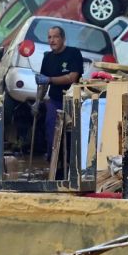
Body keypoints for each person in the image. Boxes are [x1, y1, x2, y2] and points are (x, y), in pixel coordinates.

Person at [34, 25, 83, 161]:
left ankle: (72, 163)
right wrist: (37, 102)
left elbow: (72, 77)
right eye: (49, 37)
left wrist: (50, 79)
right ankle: (53, 163)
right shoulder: (48, 58)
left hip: (73, 101)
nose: (52, 40)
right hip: (54, 101)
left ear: (63, 38)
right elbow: (43, 84)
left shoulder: (73, 53)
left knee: (71, 134)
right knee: (51, 130)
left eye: (55, 37)